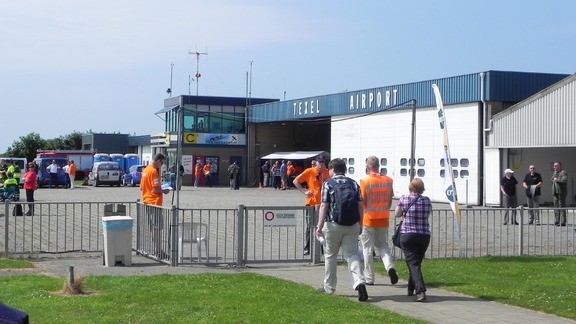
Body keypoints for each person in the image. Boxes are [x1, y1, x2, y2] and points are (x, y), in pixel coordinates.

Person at [315, 158, 368, 301]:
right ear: (344, 169)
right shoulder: (354, 183)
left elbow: (324, 206)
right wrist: (361, 223)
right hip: (352, 225)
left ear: (332, 169)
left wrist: (319, 226)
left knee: (331, 255)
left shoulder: (328, 184)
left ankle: (329, 287)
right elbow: (360, 205)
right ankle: (359, 282)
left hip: (333, 225)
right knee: (352, 255)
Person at [359, 156, 397, 286]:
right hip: (383, 218)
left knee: (367, 249)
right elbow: (390, 200)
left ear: (367, 167)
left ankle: (369, 277)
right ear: (379, 166)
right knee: (383, 245)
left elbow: (362, 200)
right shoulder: (388, 180)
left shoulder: (365, 181)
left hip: (368, 219)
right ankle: (390, 267)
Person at [395, 178, 432, 302]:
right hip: (424, 235)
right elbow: (427, 214)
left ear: (410, 188)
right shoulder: (427, 200)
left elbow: (397, 214)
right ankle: (411, 287)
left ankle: (420, 291)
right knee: (416, 262)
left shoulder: (404, 198)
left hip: (408, 234)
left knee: (413, 263)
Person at [293, 154, 330, 255]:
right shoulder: (309, 171)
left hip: (323, 204)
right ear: (316, 162)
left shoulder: (327, 172)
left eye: (323, 162)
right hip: (312, 204)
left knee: (322, 226)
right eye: (319, 162)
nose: (321, 164)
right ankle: (307, 247)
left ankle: (322, 248)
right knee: (310, 226)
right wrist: (304, 191)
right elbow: (295, 181)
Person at [141, 153, 171, 259]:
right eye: (162, 163)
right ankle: (158, 251)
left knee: (153, 227)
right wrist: (164, 190)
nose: (161, 165)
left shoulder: (145, 171)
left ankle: (156, 250)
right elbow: (155, 189)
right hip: (154, 203)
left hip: (147, 201)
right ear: (158, 161)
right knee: (157, 228)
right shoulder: (153, 171)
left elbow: (142, 188)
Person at [551, 162, 568, 226]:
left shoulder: (563, 172)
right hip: (555, 192)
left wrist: (556, 179)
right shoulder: (555, 172)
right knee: (556, 206)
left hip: (561, 192)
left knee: (561, 206)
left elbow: (564, 180)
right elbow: (552, 179)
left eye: (556, 166)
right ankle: (557, 220)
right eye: (554, 166)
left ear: (559, 166)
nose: (554, 167)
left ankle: (563, 221)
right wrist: (553, 179)